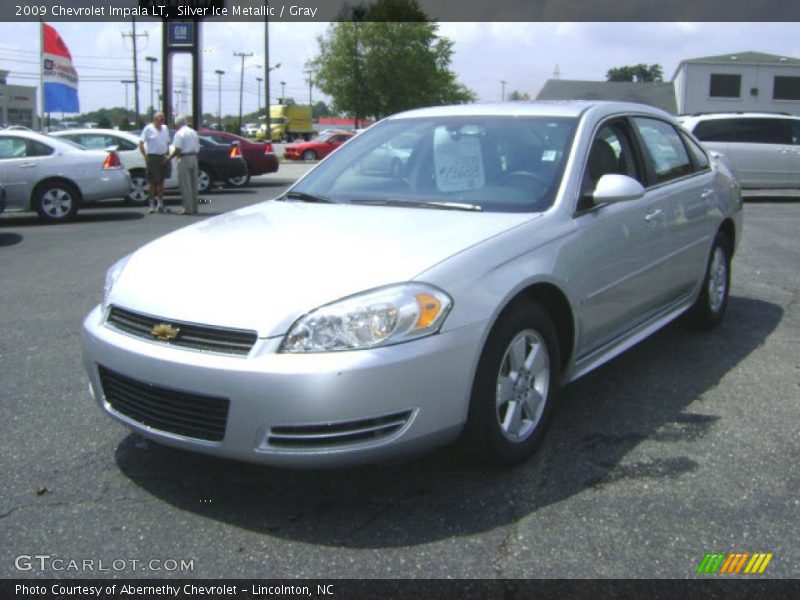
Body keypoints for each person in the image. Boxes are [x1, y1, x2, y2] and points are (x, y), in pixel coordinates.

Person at [167, 115, 201, 215]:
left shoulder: (180, 133)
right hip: (194, 157)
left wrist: (168, 158)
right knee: (194, 184)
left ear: (177, 124)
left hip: (184, 158)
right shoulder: (193, 132)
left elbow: (177, 149)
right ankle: (195, 208)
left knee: (185, 184)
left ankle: (187, 209)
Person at [138, 112, 171, 214]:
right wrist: (145, 156)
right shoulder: (148, 129)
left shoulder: (165, 128)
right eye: (160, 119)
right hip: (152, 157)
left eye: (163, 120)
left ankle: (160, 204)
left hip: (163, 157)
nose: (162, 122)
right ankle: (151, 205)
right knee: (152, 182)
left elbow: (167, 143)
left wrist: (168, 155)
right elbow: (141, 143)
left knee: (161, 182)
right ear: (155, 119)